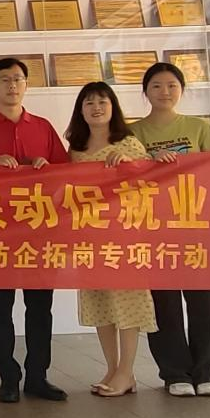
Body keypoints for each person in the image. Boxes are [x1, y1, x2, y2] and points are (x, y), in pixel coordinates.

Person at [0, 56, 70, 403]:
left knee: (40, 307)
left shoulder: (44, 127)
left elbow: (66, 175)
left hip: (40, 231)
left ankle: (38, 375)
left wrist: (46, 166)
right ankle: (7, 377)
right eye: (4, 79)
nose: (12, 85)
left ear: (26, 85)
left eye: (18, 79)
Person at [130, 61, 210, 397]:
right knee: (164, 303)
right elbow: (125, 177)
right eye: (156, 86)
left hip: (196, 227)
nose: (165, 92)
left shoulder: (199, 128)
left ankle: (206, 371)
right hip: (155, 230)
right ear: (145, 92)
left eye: (172, 85)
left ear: (182, 90)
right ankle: (174, 372)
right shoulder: (133, 132)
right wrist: (149, 165)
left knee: (204, 302)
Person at [64, 82, 157, 398]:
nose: (96, 108)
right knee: (100, 303)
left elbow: (149, 182)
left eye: (102, 102)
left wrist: (130, 164)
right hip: (89, 238)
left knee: (127, 304)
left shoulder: (128, 143)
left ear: (113, 107)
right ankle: (112, 368)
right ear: (80, 111)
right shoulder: (75, 149)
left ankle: (127, 371)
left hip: (123, 237)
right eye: (89, 103)